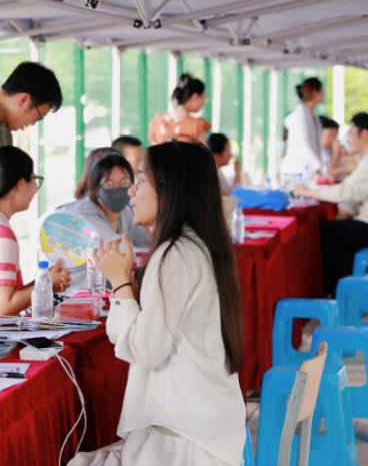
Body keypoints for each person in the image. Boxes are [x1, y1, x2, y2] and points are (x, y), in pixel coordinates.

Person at [70, 140, 245, 466]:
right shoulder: (196, 244)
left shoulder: (175, 253)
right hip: (201, 431)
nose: (131, 194)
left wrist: (120, 280)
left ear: (170, 190)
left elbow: (146, 350)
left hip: (184, 442)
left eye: (140, 181)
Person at [295, 113, 368, 296]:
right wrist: (343, 212)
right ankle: (350, 289)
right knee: (338, 229)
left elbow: (347, 191)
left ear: (365, 135)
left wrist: (308, 192)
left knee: (330, 232)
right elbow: (356, 193)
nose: (347, 140)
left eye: (350, 134)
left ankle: (336, 294)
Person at [0, 146, 70, 316]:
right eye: (34, 180)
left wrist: (45, 281)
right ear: (20, 184)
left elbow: (3, 295)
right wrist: (46, 285)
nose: (35, 188)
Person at [53, 151, 152, 290]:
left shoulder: (123, 211)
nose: (118, 190)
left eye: (124, 182)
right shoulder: (84, 216)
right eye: (109, 185)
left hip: (105, 290)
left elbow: (147, 242)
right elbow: (121, 254)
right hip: (74, 295)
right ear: (95, 189)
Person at [281, 77, 325, 183]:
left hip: (307, 172)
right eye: (322, 90)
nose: (324, 93)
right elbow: (304, 145)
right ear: (315, 92)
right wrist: (319, 167)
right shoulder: (300, 115)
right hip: (296, 172)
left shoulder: (312, 115)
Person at [148, 74, 211, 144]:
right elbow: (203, 154)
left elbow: (152, 151)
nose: (204, 103)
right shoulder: (196, 125)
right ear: (194, 96)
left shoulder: (159, 120)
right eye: (203, 97)